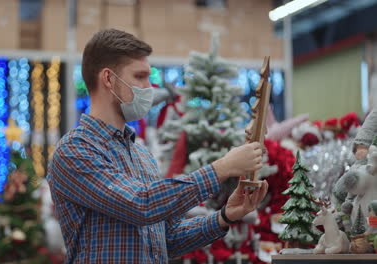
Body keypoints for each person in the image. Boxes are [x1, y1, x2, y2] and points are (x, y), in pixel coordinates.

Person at [47, 29, 268, 263]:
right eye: (140, 77)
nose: (149, 87)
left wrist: (224, 216)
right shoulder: (75, 150)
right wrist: (222, 168)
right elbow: (142, 204)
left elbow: (167, 239)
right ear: (109, 79)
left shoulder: (140, 153)